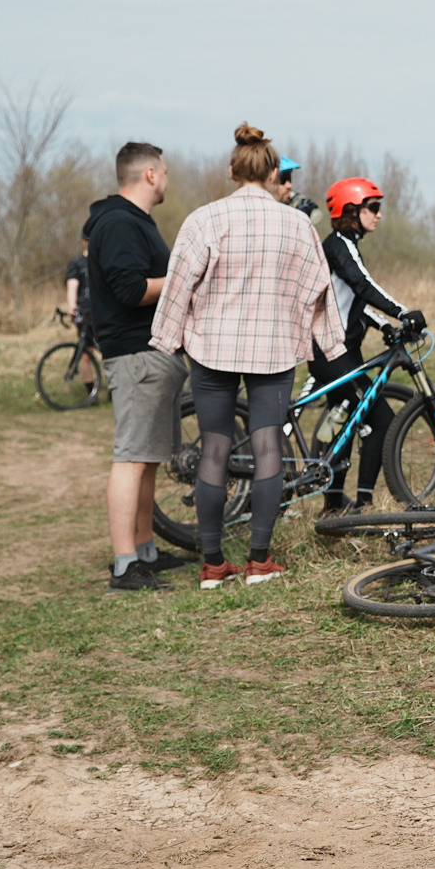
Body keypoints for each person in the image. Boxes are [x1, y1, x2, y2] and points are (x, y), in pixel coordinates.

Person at [152, 124, 345, 588]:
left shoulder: (204, 219)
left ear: (231, 170)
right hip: (274, 350)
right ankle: (260, 561)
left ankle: (213, 565)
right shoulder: (298, 224)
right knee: (268, 448)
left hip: (211, 349)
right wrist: (331, 343)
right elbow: (319, 288)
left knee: (215, 447)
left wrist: (166, 337)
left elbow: (179, 284)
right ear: (274, 173)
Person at [87, 141, 187, 592]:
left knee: (147, 460)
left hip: (150, 355)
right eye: (164, 171)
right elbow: (130, 290)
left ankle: (145, 550)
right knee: (130, 459)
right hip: (136, 356)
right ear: (149, 174)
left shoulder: (133, 221)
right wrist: (184, 278)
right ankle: (125, 564)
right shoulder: (119, 223)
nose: (167, 178)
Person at [314, 176, 424, 514]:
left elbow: (352, 300)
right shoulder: (340, 245)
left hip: (339, 351)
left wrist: (384, 325)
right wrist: (402, 312)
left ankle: (333, 504)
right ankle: (363, 503)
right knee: (383, 420)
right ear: (351, 210)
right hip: (334, 353)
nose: (379, 214)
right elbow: (363, 284)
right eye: (373, 208)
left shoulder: (343, 244)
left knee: (344, 422)